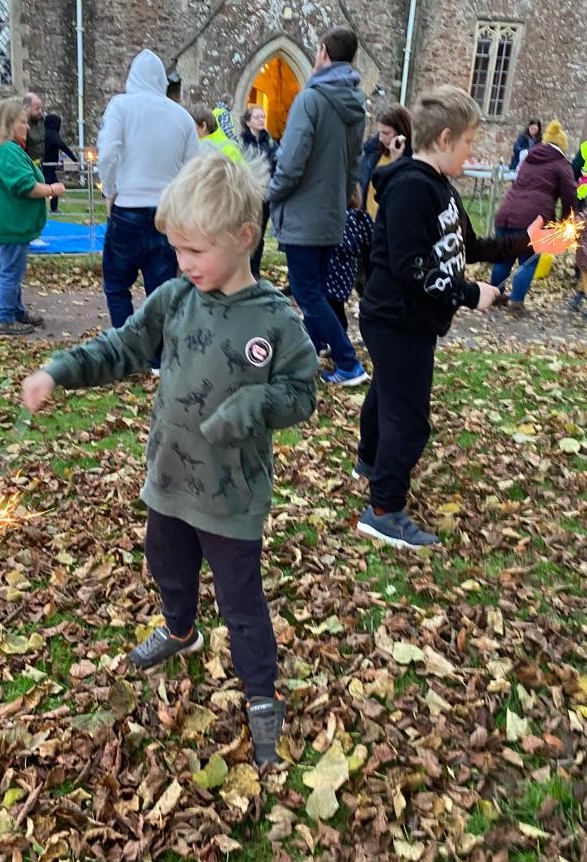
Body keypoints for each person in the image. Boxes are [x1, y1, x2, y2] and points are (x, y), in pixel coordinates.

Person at [21, 149, 318, 765]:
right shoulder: (176, 299)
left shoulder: (276, 320)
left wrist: (253, 406)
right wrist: (58, 370)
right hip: (171, 477)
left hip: (230, 497)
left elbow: (301, 393)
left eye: (195, 251)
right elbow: (123, 346)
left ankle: (262, 696)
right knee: (167, 563)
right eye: (177, 250)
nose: (183, 263)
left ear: (244, 237)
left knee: (242, 602)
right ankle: (180, 629)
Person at [354, 86, 568, 549]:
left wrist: (530, 244)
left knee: (387, 391)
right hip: (396, 318)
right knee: (409, 419)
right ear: (446, 138)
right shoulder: (412, 188)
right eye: (470, 142)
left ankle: (369, 461)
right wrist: (472, 294)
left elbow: (469, 247)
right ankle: (383, 509)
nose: (472, 151)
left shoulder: (441, 189)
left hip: (410, 321)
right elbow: (411, 268)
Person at [268, 26, 368, 386]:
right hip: (331, 213)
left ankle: (347, 363)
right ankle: (314, 347)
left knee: (307, 290)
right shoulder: (356, 103)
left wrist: (273, 191)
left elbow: (292, 160)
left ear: (322, 52)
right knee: (318, 289)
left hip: (303, 215)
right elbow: (354, 163)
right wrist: (341, 200)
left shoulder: (310, 99)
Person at [97, 48, 199, 329]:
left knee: (117, 284)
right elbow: (194, 171)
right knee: (161, 289)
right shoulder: (182, 117)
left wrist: (111, 189)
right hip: (166, 212)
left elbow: (106, 154)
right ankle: (157, 356)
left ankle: (125, 349)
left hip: (127, 207)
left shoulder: (120, 106)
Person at [0, 98, 65, 336]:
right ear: (10, 123)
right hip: (9, 222)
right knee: (11, 272)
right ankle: (4, 319)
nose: (27, 127)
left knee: (11, 268)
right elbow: (25, 186)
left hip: (1, 219)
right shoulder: (6, 150)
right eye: (23, 122)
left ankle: (16, 310)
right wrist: (52, 190)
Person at [491, 119, 578, 314]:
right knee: (527, 260)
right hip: (531, 220)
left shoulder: (529, 158)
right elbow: (569, 195)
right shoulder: (561, 164)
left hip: (506, 213)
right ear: (562, 146)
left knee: (503, 258)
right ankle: (516, 303)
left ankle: (493, 297)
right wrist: (566, 221)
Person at [325, 198, 374, 330]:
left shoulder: (339, 218)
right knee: (335, 305)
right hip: (348, 270)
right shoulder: (360, 218)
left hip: (333, 269)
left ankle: (338, 340)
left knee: (331, 306)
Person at [241, 104, 278, 278]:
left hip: (265, 196)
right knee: (243, 231)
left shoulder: (270, 143)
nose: (262, 119)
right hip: (246, 194)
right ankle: (242, 268)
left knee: (259, 234)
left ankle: (254, 271)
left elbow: (277, 165)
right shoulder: (240, 141)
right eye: (257, 117)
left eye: (263, 116)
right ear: (248, 121)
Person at [358, 104, 412, 218]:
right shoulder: (373, 152)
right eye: (380, 132)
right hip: (368, 221)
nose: (381, 138)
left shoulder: (413, 158)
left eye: (386, 133)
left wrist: (397, 162)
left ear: (401, 132)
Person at [43, 114, 78, 213]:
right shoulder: (53, 135)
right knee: (52, 187)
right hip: (47, 166)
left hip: (47, 165)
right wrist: (75, 161)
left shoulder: (45, 133)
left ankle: (53, 209)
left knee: (52, 186)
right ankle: (52, 209)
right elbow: (64, 147)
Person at [23, 93, 45, 165]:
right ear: (27, 108)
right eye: (37, 108)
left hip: (43, 167)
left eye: (41, 108)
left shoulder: (41, 120)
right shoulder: (21, 125)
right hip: (29, 167)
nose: (40, 111)